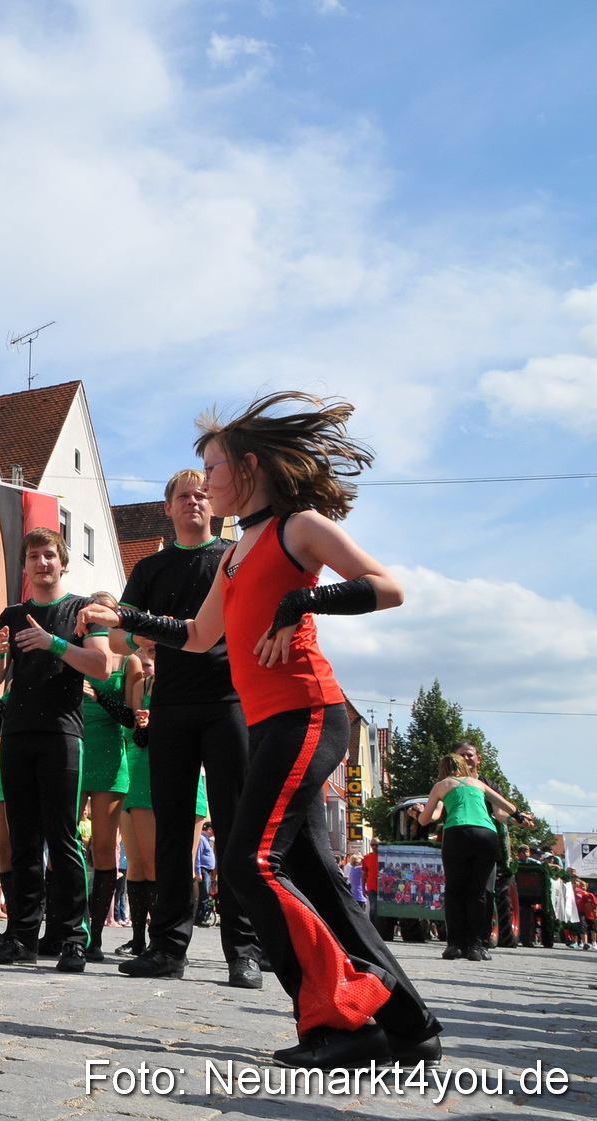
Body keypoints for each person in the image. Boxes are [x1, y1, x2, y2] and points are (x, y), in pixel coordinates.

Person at [82, 391, 441, 1070]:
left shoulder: (296, 527)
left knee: (249, 861)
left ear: (247, 468)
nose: (205, 482)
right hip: (271, 721)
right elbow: (195, 635)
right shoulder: (233, 552)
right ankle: (408, 1020)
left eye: (212, 468)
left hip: (308, 712)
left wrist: (302, 598)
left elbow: (385, 586)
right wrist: (119, 618)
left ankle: (341, 1018)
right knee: (311, 874)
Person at [105, 469, 266, 990]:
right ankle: (167, 948)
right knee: (172, 831)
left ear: (213, 505)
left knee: (236, 827)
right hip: (171, 705)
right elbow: (118, 636)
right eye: (183, 496)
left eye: (202, 494)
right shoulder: (151, 567)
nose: (194, 501)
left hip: (228, 702)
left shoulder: (234, 556)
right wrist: (139, 645)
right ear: (167, 508)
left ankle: (244, 951)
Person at [0, 527, 114, 973]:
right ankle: (22, 936)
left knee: (63, 838)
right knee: (22, 841)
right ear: (25, 566)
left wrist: (54, 643)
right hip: (17, 734)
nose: (42, 563)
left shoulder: (81, 610)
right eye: (34, 557)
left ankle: (73, 937)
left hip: (62, 734)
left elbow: (102, 666)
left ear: (62, 562)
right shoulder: (14, 613)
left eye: (49, 556)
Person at [78, 592, 144, 961]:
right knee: (64, 844)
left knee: (103, 849)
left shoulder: (129, 661)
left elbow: (133, 721)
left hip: (109, 756)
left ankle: (96, 936)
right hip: (75, 749)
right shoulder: (79, 651)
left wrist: (100, 698)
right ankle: (66, 927)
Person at [424, 749, 532, 961]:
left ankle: (454, 945)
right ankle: (475, 945)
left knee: (455, 891)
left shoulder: (441, 785)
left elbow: (426, 819)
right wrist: (519, 817)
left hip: (457, 832)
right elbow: (507, 807)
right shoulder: (480, 784)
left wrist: (420, 814)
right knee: (479, 892)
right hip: (486, 834)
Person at [115, 649, 157, 957]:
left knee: (158, 863)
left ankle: (161, 938)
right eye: (141, 661)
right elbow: (129, 725)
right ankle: (139, 937)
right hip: (134, 769)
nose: (144, 667)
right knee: (136, 865)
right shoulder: (139, 686)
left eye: (149, 663)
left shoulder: (175, 682)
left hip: (161, 772)